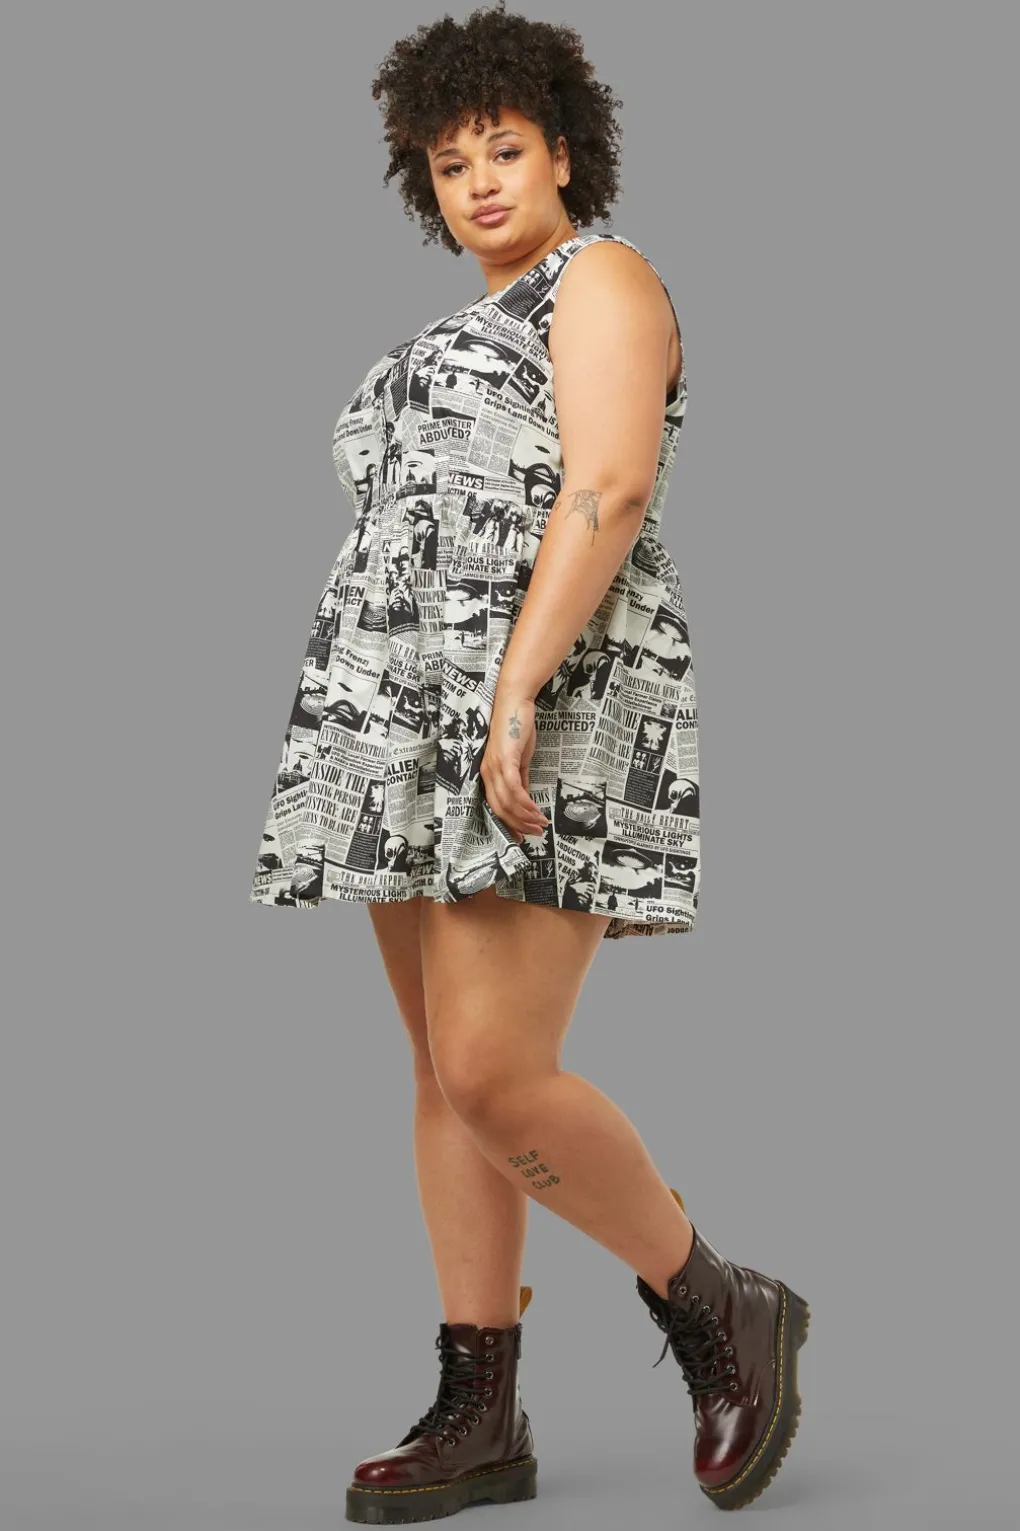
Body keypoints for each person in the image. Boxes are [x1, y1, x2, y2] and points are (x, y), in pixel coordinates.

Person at [249, 3, 809, 1521]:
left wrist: (512, 692)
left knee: (498, 1072)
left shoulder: (602, 277)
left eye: (503, 149)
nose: (480, 182)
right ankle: (479, 1410)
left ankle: (716, 1299)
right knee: (444, 1072)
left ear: (564, 151)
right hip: (400, 717)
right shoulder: (449, 329)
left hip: (546, 699)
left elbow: (608, 485)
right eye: (450, 164)